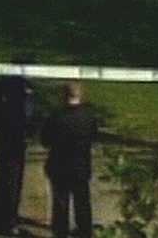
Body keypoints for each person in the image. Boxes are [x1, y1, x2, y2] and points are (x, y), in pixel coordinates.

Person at [41, 81, 100, 238]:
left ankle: (60, 232)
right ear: (81, 96)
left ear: (63, 96)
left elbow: (45, 140)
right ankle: (84, 231)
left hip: (59, 165)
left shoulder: (56, 118)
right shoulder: (89, 118)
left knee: (60, 201)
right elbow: (93, 137)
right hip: (81, 166)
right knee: (82, 201)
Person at [0, 69, 34, 235]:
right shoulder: (23, 90)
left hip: (3, 135)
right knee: (13, 180)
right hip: (15, 137)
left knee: (3, 176)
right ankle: (7, 220)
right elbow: (28, 114)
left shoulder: (1, 86)